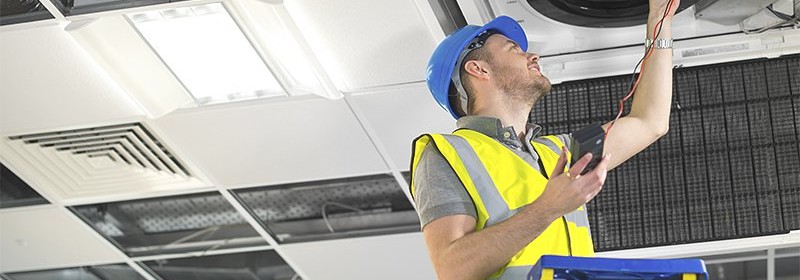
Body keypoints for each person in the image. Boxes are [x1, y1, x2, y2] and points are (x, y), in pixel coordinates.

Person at [409, 0, 680, 279]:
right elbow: (453, 269)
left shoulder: (556, 151)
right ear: (479, 69)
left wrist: (661, 19)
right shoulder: (446, 153)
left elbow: (649, 123)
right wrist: (548, 207)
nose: (534, 56)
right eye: (513, 49)